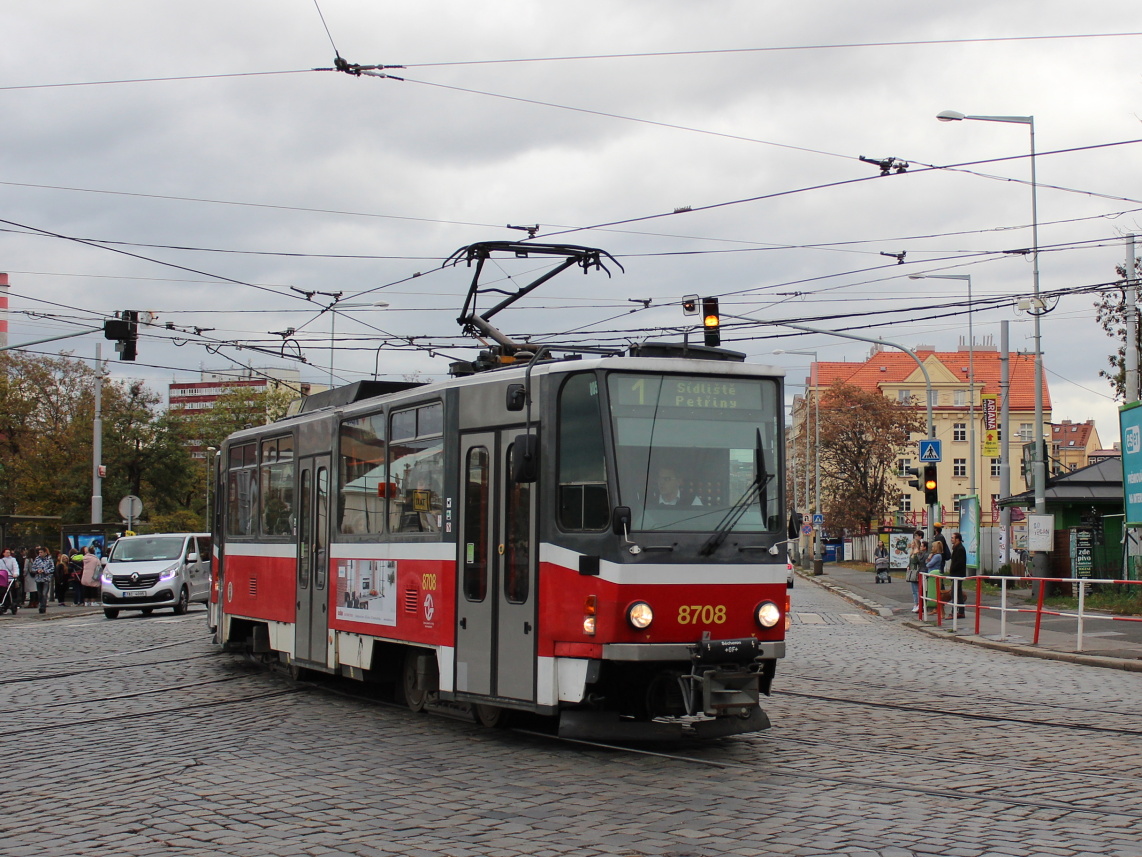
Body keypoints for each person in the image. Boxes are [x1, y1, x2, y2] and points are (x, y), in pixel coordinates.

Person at [948, 531, 968, 619]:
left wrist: (952, 570)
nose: (951, 539)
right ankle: (960, 611)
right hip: (955, 574)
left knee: (954, 593)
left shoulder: (960, 549)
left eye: (953, 538)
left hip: (958, 574)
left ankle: (955, 611)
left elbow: (959, 563)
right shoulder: (956, 548)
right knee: (958, 593)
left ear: (957, 539)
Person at [906, 533, 926, 613]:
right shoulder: (912, 553)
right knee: (914, 590)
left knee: (917, 589)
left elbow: (919, 562)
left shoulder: (917, 553)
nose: (911, 544)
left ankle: (919, 604)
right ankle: (915, 603)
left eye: (913, 543)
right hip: (911, 571)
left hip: (916, 571)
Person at [30, 547, 55, 614]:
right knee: (40, 594)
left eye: (41, 552)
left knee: (44, 593)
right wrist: (37, 571)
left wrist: (44, 571)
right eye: (39, 552)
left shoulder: (49, 559)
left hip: (46, 579)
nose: (40, 554)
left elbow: (52, 568)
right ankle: (41, 604)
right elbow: (33, 568)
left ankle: (43, 607)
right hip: (38, 579)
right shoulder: (37, 559)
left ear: (45, 553)